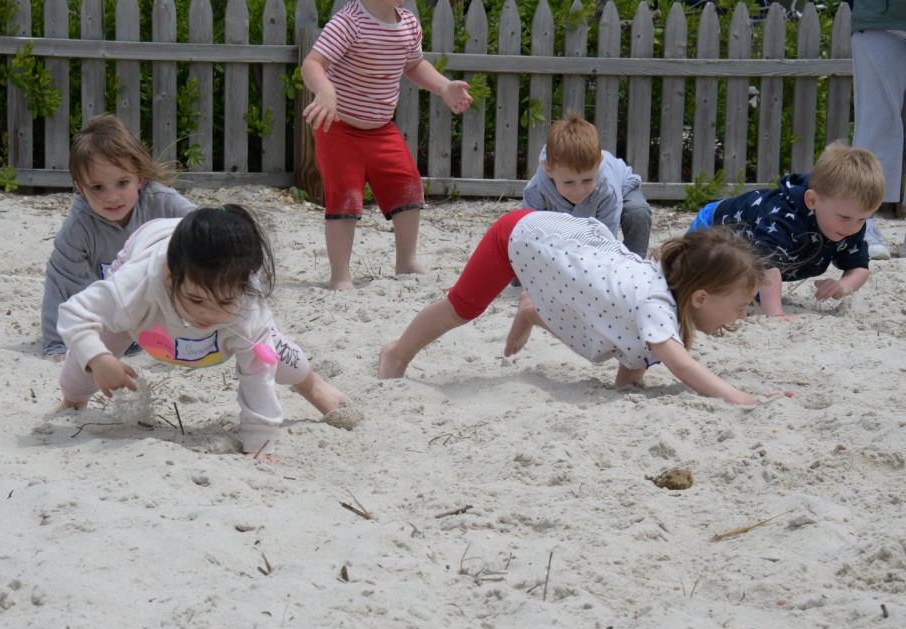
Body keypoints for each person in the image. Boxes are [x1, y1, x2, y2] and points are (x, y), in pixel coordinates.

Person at [378, 209, 785, 406]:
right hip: (518, 237)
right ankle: (397, 352)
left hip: (561, 243)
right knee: (462, 307)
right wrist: (739, 397)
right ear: (700, 298)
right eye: (739, 306)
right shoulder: (657, 302)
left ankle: (533, 310)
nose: (742, 314)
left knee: (633, 334)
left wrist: (627, 388)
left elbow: (638, 350)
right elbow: (682, 366)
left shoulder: (665, 293)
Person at [52, 205, 346, 463]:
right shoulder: (136, 284)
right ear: (169, 278)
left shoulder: (247, 307)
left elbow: (258, 377)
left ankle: (312, 385)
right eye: (196, 300)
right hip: (150, 278)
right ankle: (73, 401)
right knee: (95, 346)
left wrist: (260, 443)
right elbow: (75, 314)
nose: (208, 314)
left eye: (224, 302)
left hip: (214, 280)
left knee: (269, 350)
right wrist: (98, 358)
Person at [301, 0, 472, 290]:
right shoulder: (349, 21)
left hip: (382, 129)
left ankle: (406, 262)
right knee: (344, 198)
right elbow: (312, 63)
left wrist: (443, 86)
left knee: (407, 185)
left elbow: (414, 65)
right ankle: (340, 276)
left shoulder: (408, 24)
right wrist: (325, 89)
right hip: (338, 129)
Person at [41, 113, 196, 360]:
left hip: (158, 310)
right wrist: (56, 345)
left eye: (123, 183)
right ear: (80, 187)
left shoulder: (161, 202)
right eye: (98, 187)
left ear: (140, 177)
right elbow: (60, 283)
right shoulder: (79, 226)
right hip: (108, 316)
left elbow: (205, 228)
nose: (112, 197)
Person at [688, 141, 884, 320]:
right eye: (844, 217)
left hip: (748, 261)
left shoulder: (850, 223)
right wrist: (776, 314)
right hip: (715, 227)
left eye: (863, 219)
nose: (853, 227)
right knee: (691, 277)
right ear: (812, 200)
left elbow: (860, 267)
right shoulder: (783, 216)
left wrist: (844, 285)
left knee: (748, 291)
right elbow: (767, 265)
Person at [521, 113, 651, 258]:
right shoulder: (537, 188)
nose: (579, 190)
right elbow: (526, 230)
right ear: (549, 170)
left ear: (599, 164)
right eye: (569, 182)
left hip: (623, 187)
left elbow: (606, 238)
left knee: (637, 212)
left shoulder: (607, 187)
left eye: (587, 180)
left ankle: (633, 265)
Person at [849, 0, 906, 259]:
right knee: (875, 121)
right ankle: (861, 224)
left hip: (875, 13)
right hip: (877, 15)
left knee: (875, 121)